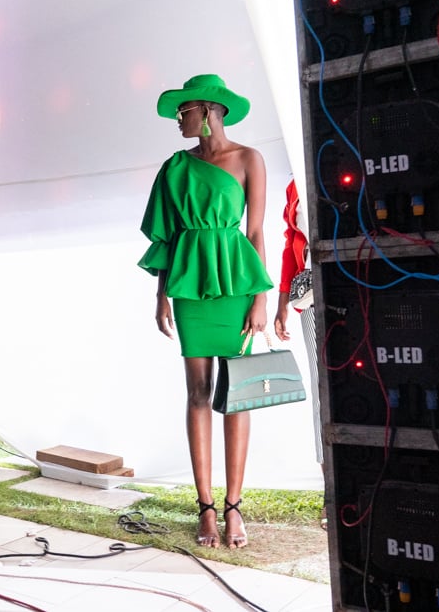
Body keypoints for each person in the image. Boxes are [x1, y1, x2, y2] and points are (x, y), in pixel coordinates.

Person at [139, 74, 273, 549]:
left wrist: (262, 298)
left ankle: (235, 506)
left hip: (238, 282)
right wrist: (160, 295)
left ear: (211, 110)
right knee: (198, 392)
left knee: (238, 394)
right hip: (189, 286)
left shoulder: (248, 159)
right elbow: (167, 238)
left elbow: (255, 233)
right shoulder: (175, 167)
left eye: (185, 111)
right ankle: (207, 509)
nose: (180, 119)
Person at [273, 177, 327, 530]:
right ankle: (332, 491)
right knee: (323, 388)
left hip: (353, 287)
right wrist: (281, 305)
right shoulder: (293, 185)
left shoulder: (334, 165)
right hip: (309, 300)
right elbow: (291, 245)